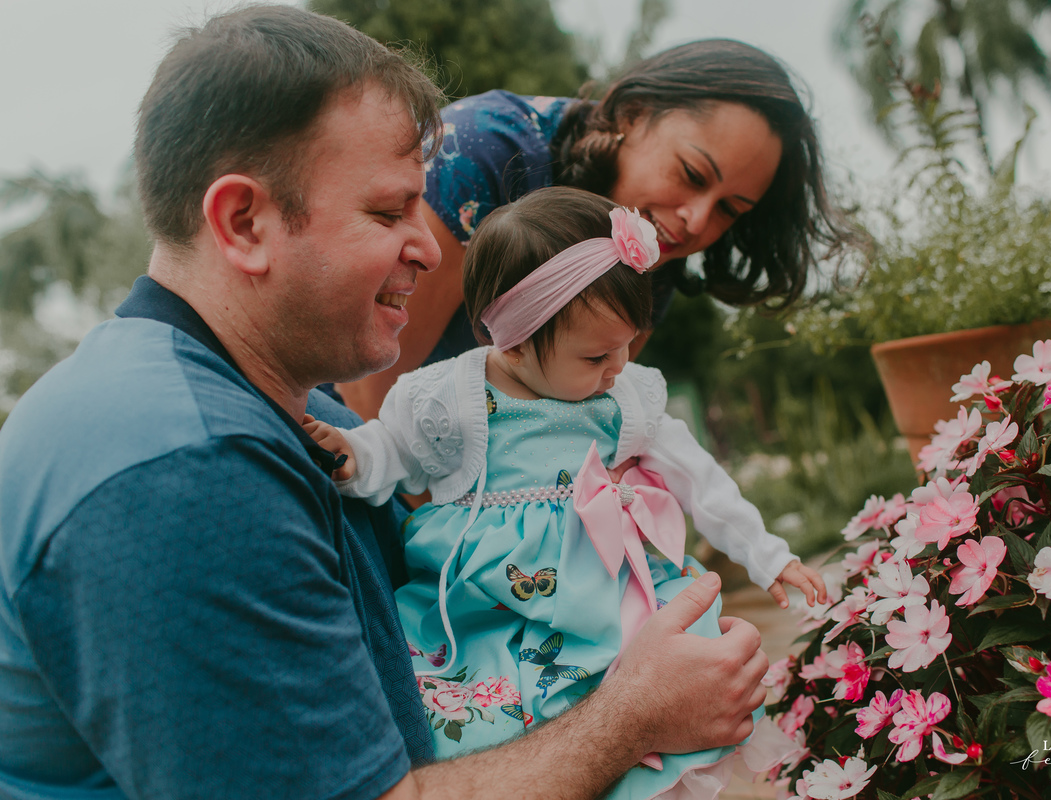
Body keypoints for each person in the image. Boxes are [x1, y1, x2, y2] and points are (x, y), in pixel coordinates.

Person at [0, 7, 771, 800]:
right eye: (388, 210)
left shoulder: (315, 427)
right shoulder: (177, 470)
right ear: (244, 221)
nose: (434, 247)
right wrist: (633, 717)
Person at [303, 186, 826, 798]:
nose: (617, 366)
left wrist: (769, 556)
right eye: (597, 353)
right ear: (516, 342)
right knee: (487, 718)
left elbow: (700, 478)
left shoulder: (625, 397)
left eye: (628, 342)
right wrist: (353, 456)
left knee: (656, 701)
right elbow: (392, 450)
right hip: (487, 606)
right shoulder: (452, 397)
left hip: (602, 593)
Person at [337, 38, 855, 421]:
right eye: (692, 175)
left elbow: (575, 420)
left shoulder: (654, 259)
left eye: (729, 211)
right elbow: (366, 396)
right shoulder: (488, 153)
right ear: (633, 113)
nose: (697, 222)